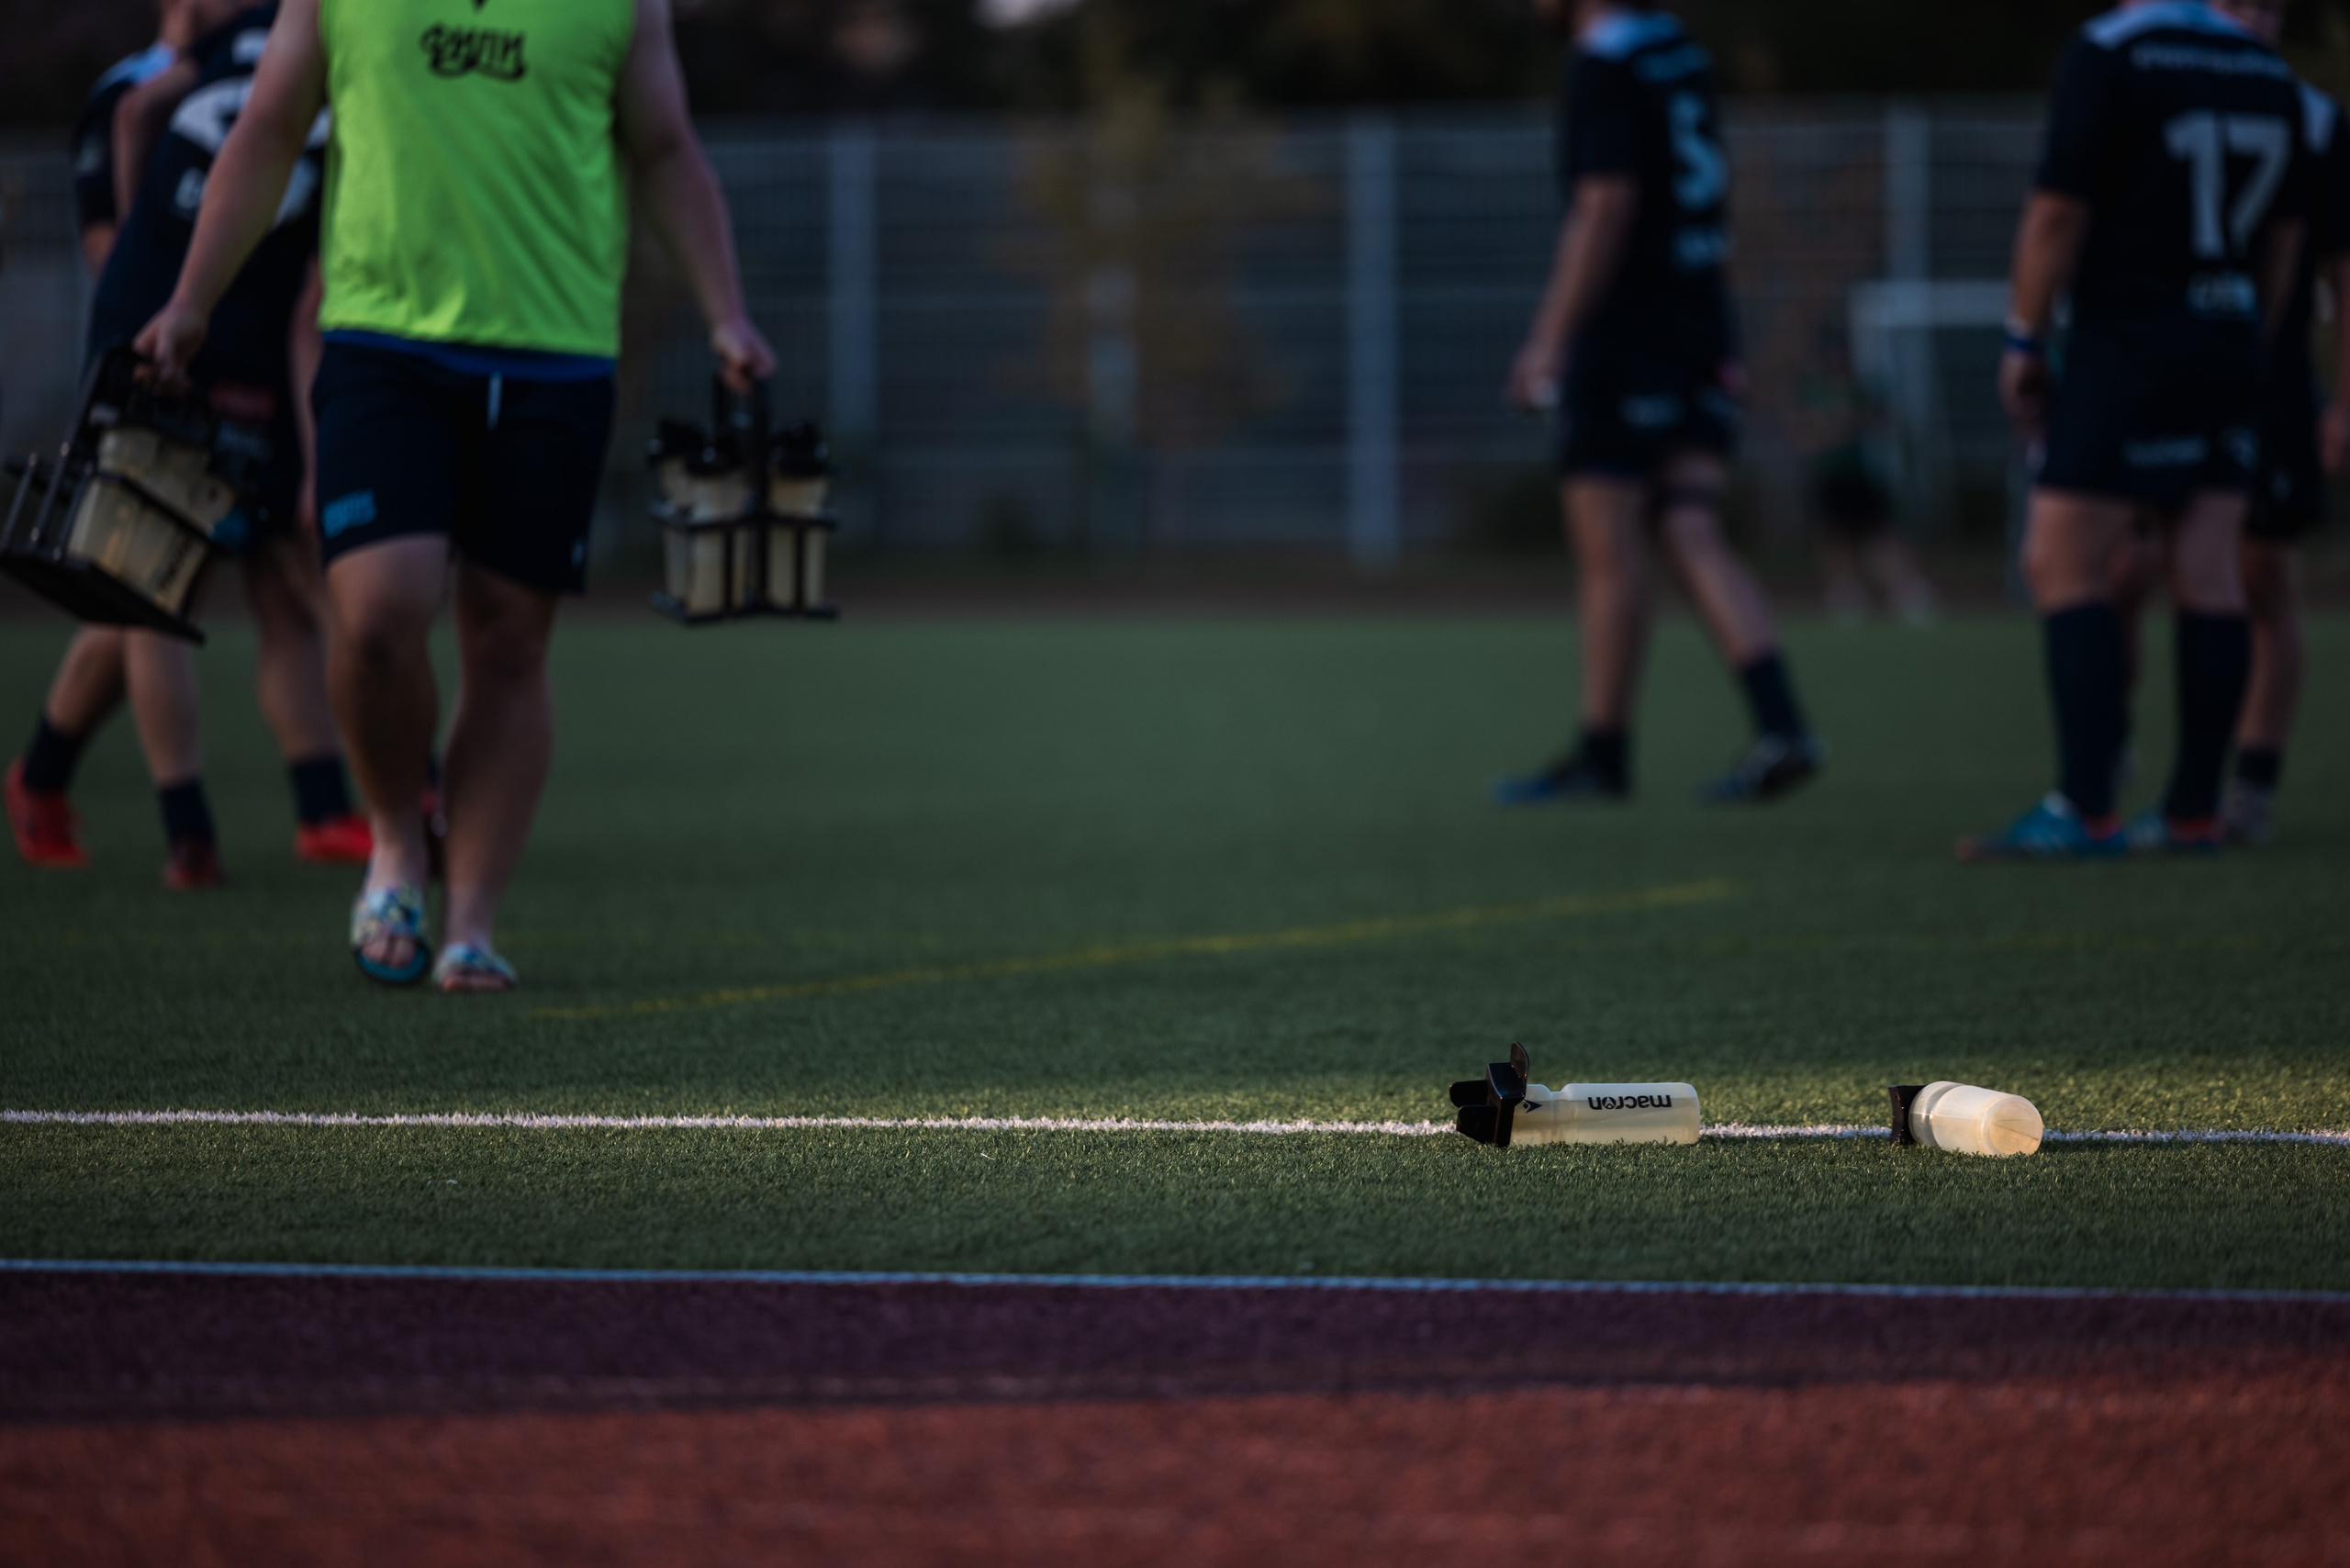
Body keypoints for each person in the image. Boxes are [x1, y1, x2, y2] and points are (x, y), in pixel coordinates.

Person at [138, 0, 775, 990]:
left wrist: (724, 311)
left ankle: (471, 922)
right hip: (384, 342)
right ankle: (397, 840)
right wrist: (191, 300)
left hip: (557, 354)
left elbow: (664, 149)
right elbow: (266, 129)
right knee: (377, 617)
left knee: (509, 639)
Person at [5, 0, 369, 888]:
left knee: (278, 572)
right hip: (175, 330)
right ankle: (183, 826)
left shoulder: (319, 48)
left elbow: (311, 299)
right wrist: (162, 264)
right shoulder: (201, 64)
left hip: (252, 344)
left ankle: (323, 808)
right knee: (152, 576)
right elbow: (133, 124)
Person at [1960, 0, 2306, 860]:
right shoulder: (2267, 70)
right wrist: (2249, 339)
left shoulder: (2114, 51)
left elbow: (2056, 212)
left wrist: (2024, 338)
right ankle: (2192, 812)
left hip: (2129, 343)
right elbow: (2285, 235)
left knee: (2060, 560)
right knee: (2209, 570)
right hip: (2229, 341)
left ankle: (2084, 807)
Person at [1497, 0, 1823, 806]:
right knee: (1686, 522)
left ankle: (1603, 753)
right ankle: (1782, 724)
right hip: (1699, 316)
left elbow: (1605, 205)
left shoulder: (1603, 63)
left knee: (1608, 545)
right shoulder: (1680, 52)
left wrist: (1549, 339)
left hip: (1628, 326)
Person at [2207, 0, 2349, 844]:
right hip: (2166, 370)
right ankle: (2107, 772)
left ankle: (2248, 788)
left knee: (2264, 578)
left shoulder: (2316, 120)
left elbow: (2340, 266)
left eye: (2261, 4)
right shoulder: (2161, 86)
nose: (2247, 18)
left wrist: (2344, 399)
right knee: (2119, 567)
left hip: (2271, 382)